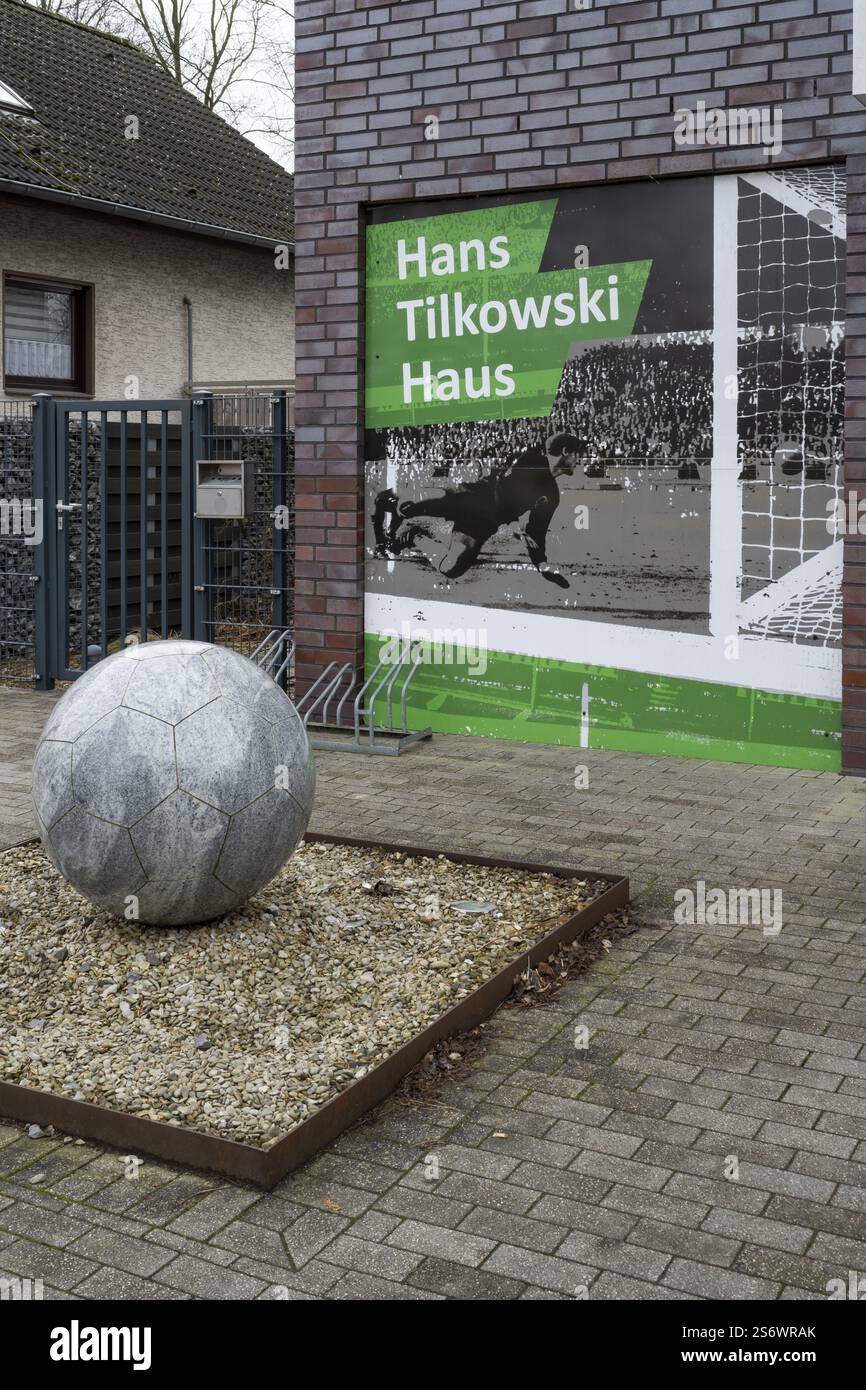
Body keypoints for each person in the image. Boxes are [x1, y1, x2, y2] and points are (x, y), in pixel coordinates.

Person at [372, 432, 584, 585]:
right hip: (467, 497)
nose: (580, 460)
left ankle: (413, 536)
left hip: (483, 524)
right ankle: (385, 535)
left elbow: (536, 532)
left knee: (451, 569)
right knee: (406, 505)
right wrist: (514, 523)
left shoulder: (552, 495)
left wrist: (542, 564)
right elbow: (502, 484)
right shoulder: (530, 458)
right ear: (565, 451)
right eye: (577, 454)